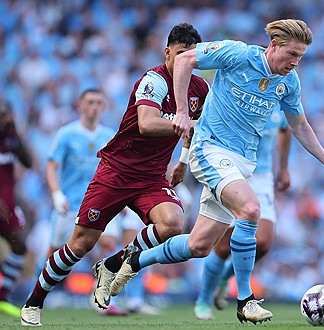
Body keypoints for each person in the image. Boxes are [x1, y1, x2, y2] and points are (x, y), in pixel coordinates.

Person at [108, 19, 324, 325]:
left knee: (199, 246)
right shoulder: (237, 54)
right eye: (291, 53)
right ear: (274, 45)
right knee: (250, 210)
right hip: (210, 149)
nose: (295, 62)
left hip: (242, 162)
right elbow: (187, 59)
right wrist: (182, 112)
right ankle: (245, 300)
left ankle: (134, 260)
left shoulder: (289, 82)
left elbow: (299, 126)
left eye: (301, 56)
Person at [20, 23, 209, 327]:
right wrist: (186, 124)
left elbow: (192, 131)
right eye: (180, 54)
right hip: (116, 172)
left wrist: (183, 162)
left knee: (173, 222)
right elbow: (147, 123)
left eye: (192, 56)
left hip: (151, 177)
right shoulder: (153, 80)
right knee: (80, 245)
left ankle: (113, 264)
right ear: (167, 53)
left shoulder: (200, 89)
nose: (186, 60)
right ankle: (34, 302)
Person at [194, 107, 291, 320]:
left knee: (263, 243)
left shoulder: (280, 104)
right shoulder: (243, 98)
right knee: (222, 245)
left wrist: (283, 167)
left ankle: (224, 279)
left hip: (262, 175)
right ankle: (203, 299)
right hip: (233, 173)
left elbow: (286, 128)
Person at [43, 88, 128, 316]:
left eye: (99, 102)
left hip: (102, 203)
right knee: (56, 252)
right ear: (79, 105)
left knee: (109, 245)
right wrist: (56, 194)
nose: (94, 106)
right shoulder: (66, 134)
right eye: (90, 102)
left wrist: (124, 202)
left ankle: (99, 298)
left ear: (104, 107)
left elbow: (119, 169)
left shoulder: (110, 136)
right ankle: (43, 293)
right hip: (70, 203)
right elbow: (51, 167)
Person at [0, 100, 33, 317]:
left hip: (7, 206)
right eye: (3, 117)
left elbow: (28, 162)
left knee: (19, 245)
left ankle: (2, 295)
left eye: (8, 116)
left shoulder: (10, 139)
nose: (6, 120)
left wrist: (16, 134)